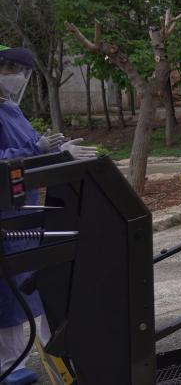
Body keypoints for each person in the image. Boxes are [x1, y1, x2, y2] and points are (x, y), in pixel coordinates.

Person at [0, 45, 96, 385]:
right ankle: (9, 365)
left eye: (21, 72)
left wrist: (57, 149)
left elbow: (30, 146)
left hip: (25, 213)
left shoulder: (11, 109)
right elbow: (9, 156)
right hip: (5, 215)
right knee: (8, 293)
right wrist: (35, 149)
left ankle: (60, 353)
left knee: (35, 286)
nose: (16, 79)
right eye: (11, 70)